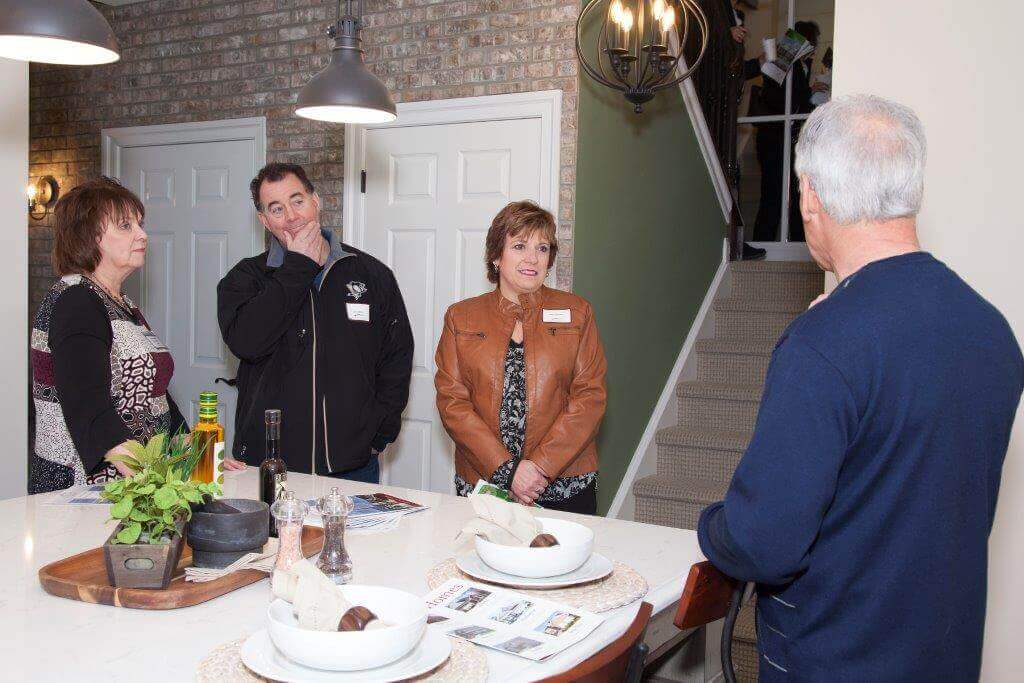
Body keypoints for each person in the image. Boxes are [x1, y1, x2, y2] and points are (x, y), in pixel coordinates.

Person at [698, 95, 1024, 680]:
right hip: (944, 658)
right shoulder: (991, 330)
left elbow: (763, 542)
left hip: (835, 661)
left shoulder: (825, 344)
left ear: (812, 195)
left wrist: (713, 526)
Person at [29, 178, 243, 493]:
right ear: (88, 236)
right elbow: (87, 405)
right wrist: (151, 479)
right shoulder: (77, 300)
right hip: (85, 487)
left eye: (140, 224)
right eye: (126, 226)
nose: (142, 235)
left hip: (130, 482)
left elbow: (153, 395)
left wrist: (195, 449)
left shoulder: (120, 303)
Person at [218, 163, 413, 482]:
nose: (291, 216)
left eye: (297, 201)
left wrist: (378, 434)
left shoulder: (371, 274)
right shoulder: (245, 279)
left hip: (352, 467)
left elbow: (396, 359)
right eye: (276, 209)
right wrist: (298, 266)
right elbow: (247, 343)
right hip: (268, 464)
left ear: (316, 201)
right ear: (264, 221)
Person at [434, 201, 607, 514]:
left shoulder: (578, 313)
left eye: (542, 248)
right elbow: (452, 404)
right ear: (496, 256)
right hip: (486, 484)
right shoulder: (461, 318)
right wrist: (509, 471)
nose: (532, 259)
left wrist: (538, 469)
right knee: (481, 564)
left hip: (565, 484)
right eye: (519, 246)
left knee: (562, 563)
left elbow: (589, 398)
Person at [751, 20, 821, 242]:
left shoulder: (802, 66)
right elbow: (778, 97)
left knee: (794, 192)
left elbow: (798, 100)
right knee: (773, 192)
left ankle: (796, 241)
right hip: (773, 138)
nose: (813, 48)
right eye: (811, 43)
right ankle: (765, 241)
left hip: (789, 138)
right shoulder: (781, 64)